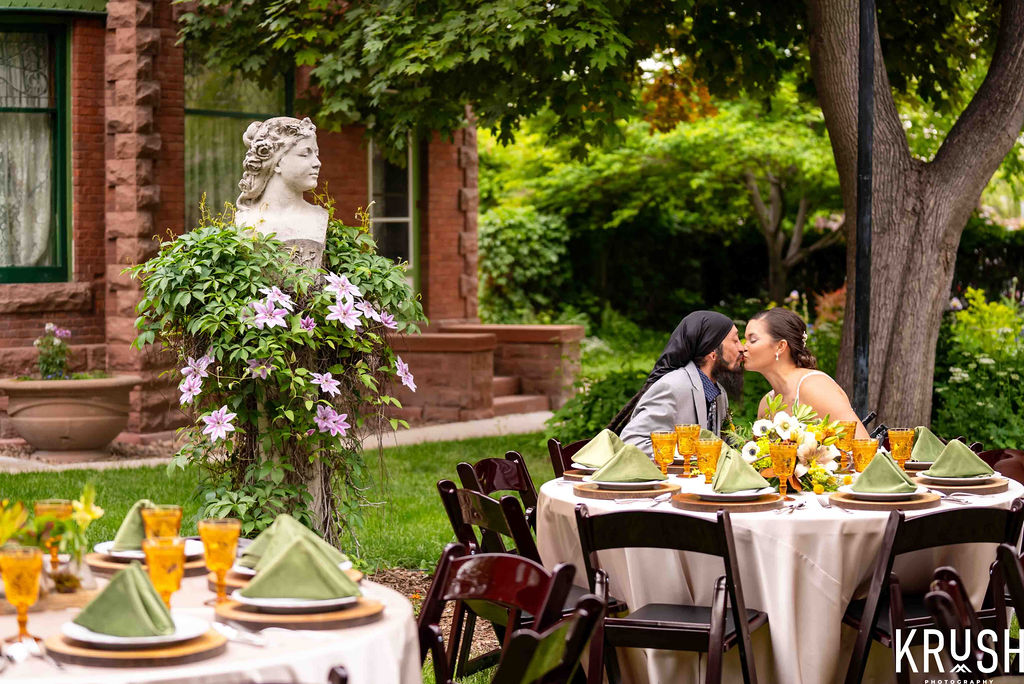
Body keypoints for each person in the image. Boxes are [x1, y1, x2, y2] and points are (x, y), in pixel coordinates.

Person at [611, 311, 745, 456]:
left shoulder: (719, 393)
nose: (742, 348)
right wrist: (693, 452)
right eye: (735, 340)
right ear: (712, 351)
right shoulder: (673, 387)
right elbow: (631, 443)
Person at [744, 307, 869, 438]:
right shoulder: (766, 404)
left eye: (752, 340)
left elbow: (862, 446)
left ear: (780, 346)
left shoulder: (815, 387)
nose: (743, 347)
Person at [235, 116, 328, 268]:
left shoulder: (320, 218)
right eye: (305, 154)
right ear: (276, 162)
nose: (317, 163)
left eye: (316, 154)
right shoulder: (245, 221)